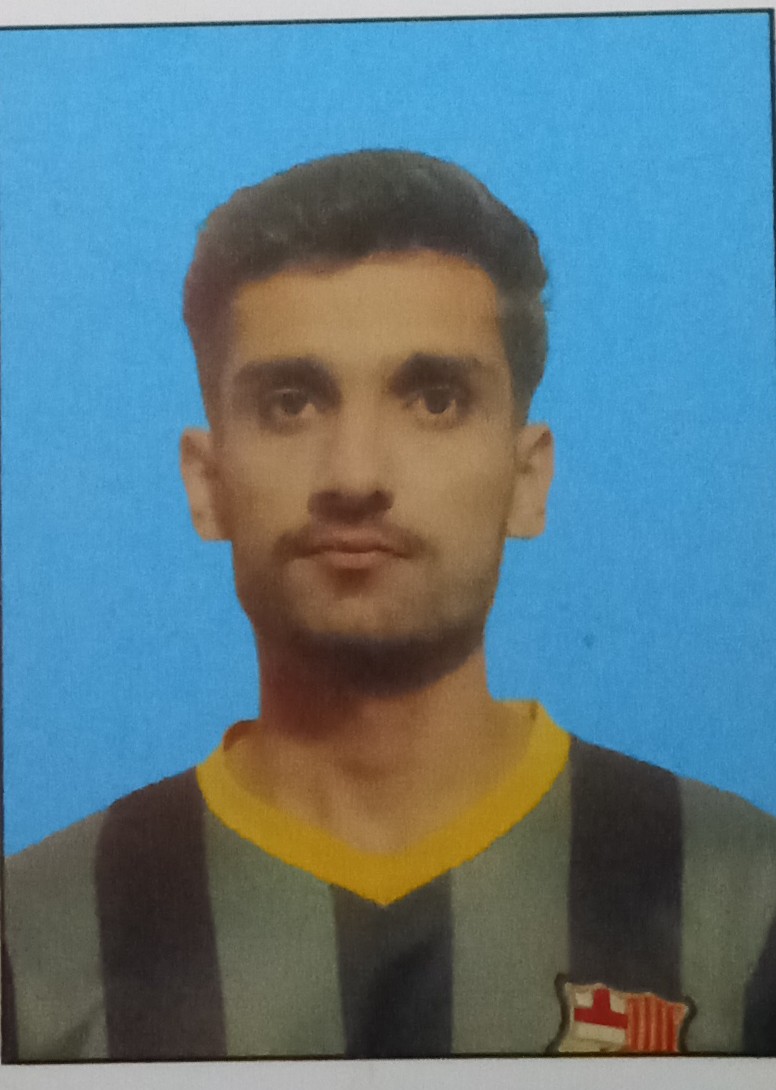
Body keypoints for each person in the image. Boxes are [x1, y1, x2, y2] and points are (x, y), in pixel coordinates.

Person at [3, 149, 775, 1063]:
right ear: (207, 484)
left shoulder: (746, 900)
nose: (356, 474)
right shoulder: (34, 938)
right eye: (291, 403)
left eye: (435, 400)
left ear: (528, 479)